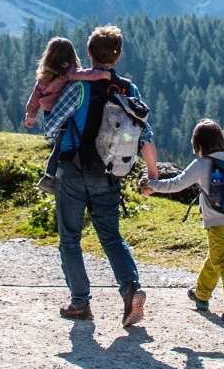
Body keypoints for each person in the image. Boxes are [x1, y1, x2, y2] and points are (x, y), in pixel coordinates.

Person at [38, 25, 159, 327]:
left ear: (89, 53)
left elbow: (50, 131)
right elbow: (145, 135)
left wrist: (46, 110)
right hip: (110, 174)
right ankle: (131, 290)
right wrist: (153, 174)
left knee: (70, 238)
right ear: (118, 56)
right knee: (111, 237)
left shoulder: (78, 87)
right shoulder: (129, 90)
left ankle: (80, 302)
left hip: (73, 170)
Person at [141, 119, 224, 322]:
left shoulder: (203, 164)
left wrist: (152, 184)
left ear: (199, 145)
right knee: (216, 258)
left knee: (223, 261)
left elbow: (177, 184)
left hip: (217, 223)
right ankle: (201, 294)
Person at [23, 36, 111, 191]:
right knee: (61, 144)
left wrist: (30, 116)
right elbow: (88, 74)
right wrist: (104, 75)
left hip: (49, 113)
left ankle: (50, 175)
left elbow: (34, 99)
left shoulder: (43, 78)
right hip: (63, 113)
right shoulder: (68, 73)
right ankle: (50, 177)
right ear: (71, 56)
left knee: (58, 144)